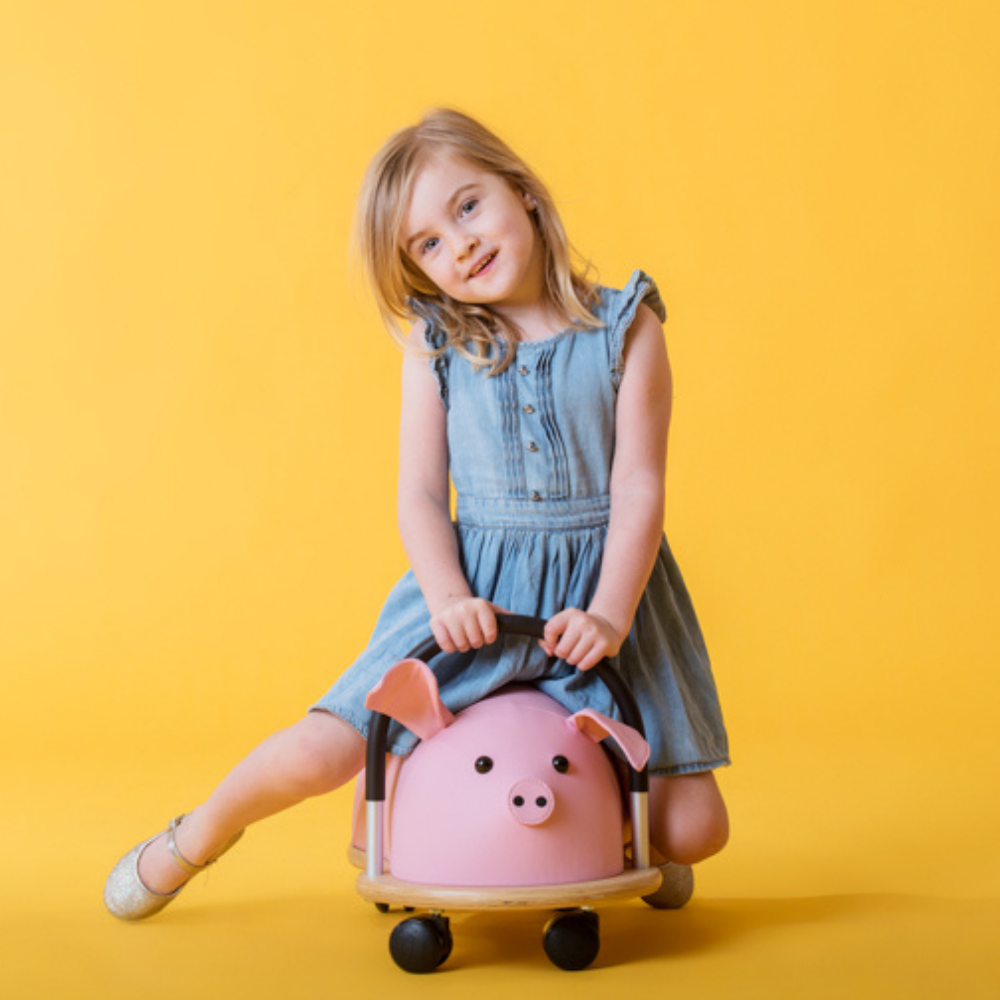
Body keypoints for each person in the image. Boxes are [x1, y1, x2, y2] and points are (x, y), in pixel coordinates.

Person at [104, 108, 730, 921]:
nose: (459, 245)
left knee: (697, 828)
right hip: (475, 588)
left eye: (467, 207)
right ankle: (195, 835)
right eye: (427, 244)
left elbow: (641, 488)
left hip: (600, 595)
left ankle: (624, 837)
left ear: (523, 191)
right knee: (323, 749)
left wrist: (610, 614)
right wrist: (445, 596)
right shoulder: (437, 345)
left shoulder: (625, 328)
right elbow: (421, 496)